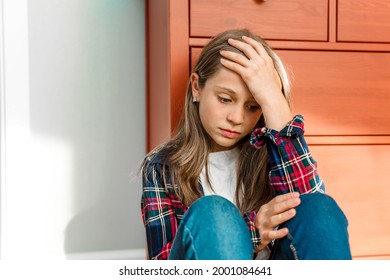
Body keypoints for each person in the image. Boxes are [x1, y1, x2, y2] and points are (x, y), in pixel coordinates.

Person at [140, 29, 352, 260]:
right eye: (225, 99)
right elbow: (163, 262)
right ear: (196, 87)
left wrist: (272, 97)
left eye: (252, 107)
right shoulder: (162, 166)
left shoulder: (271, 154)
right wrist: (254, 232)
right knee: (213, 212)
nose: (237, 118)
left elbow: (312, 214)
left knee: (317, 208)